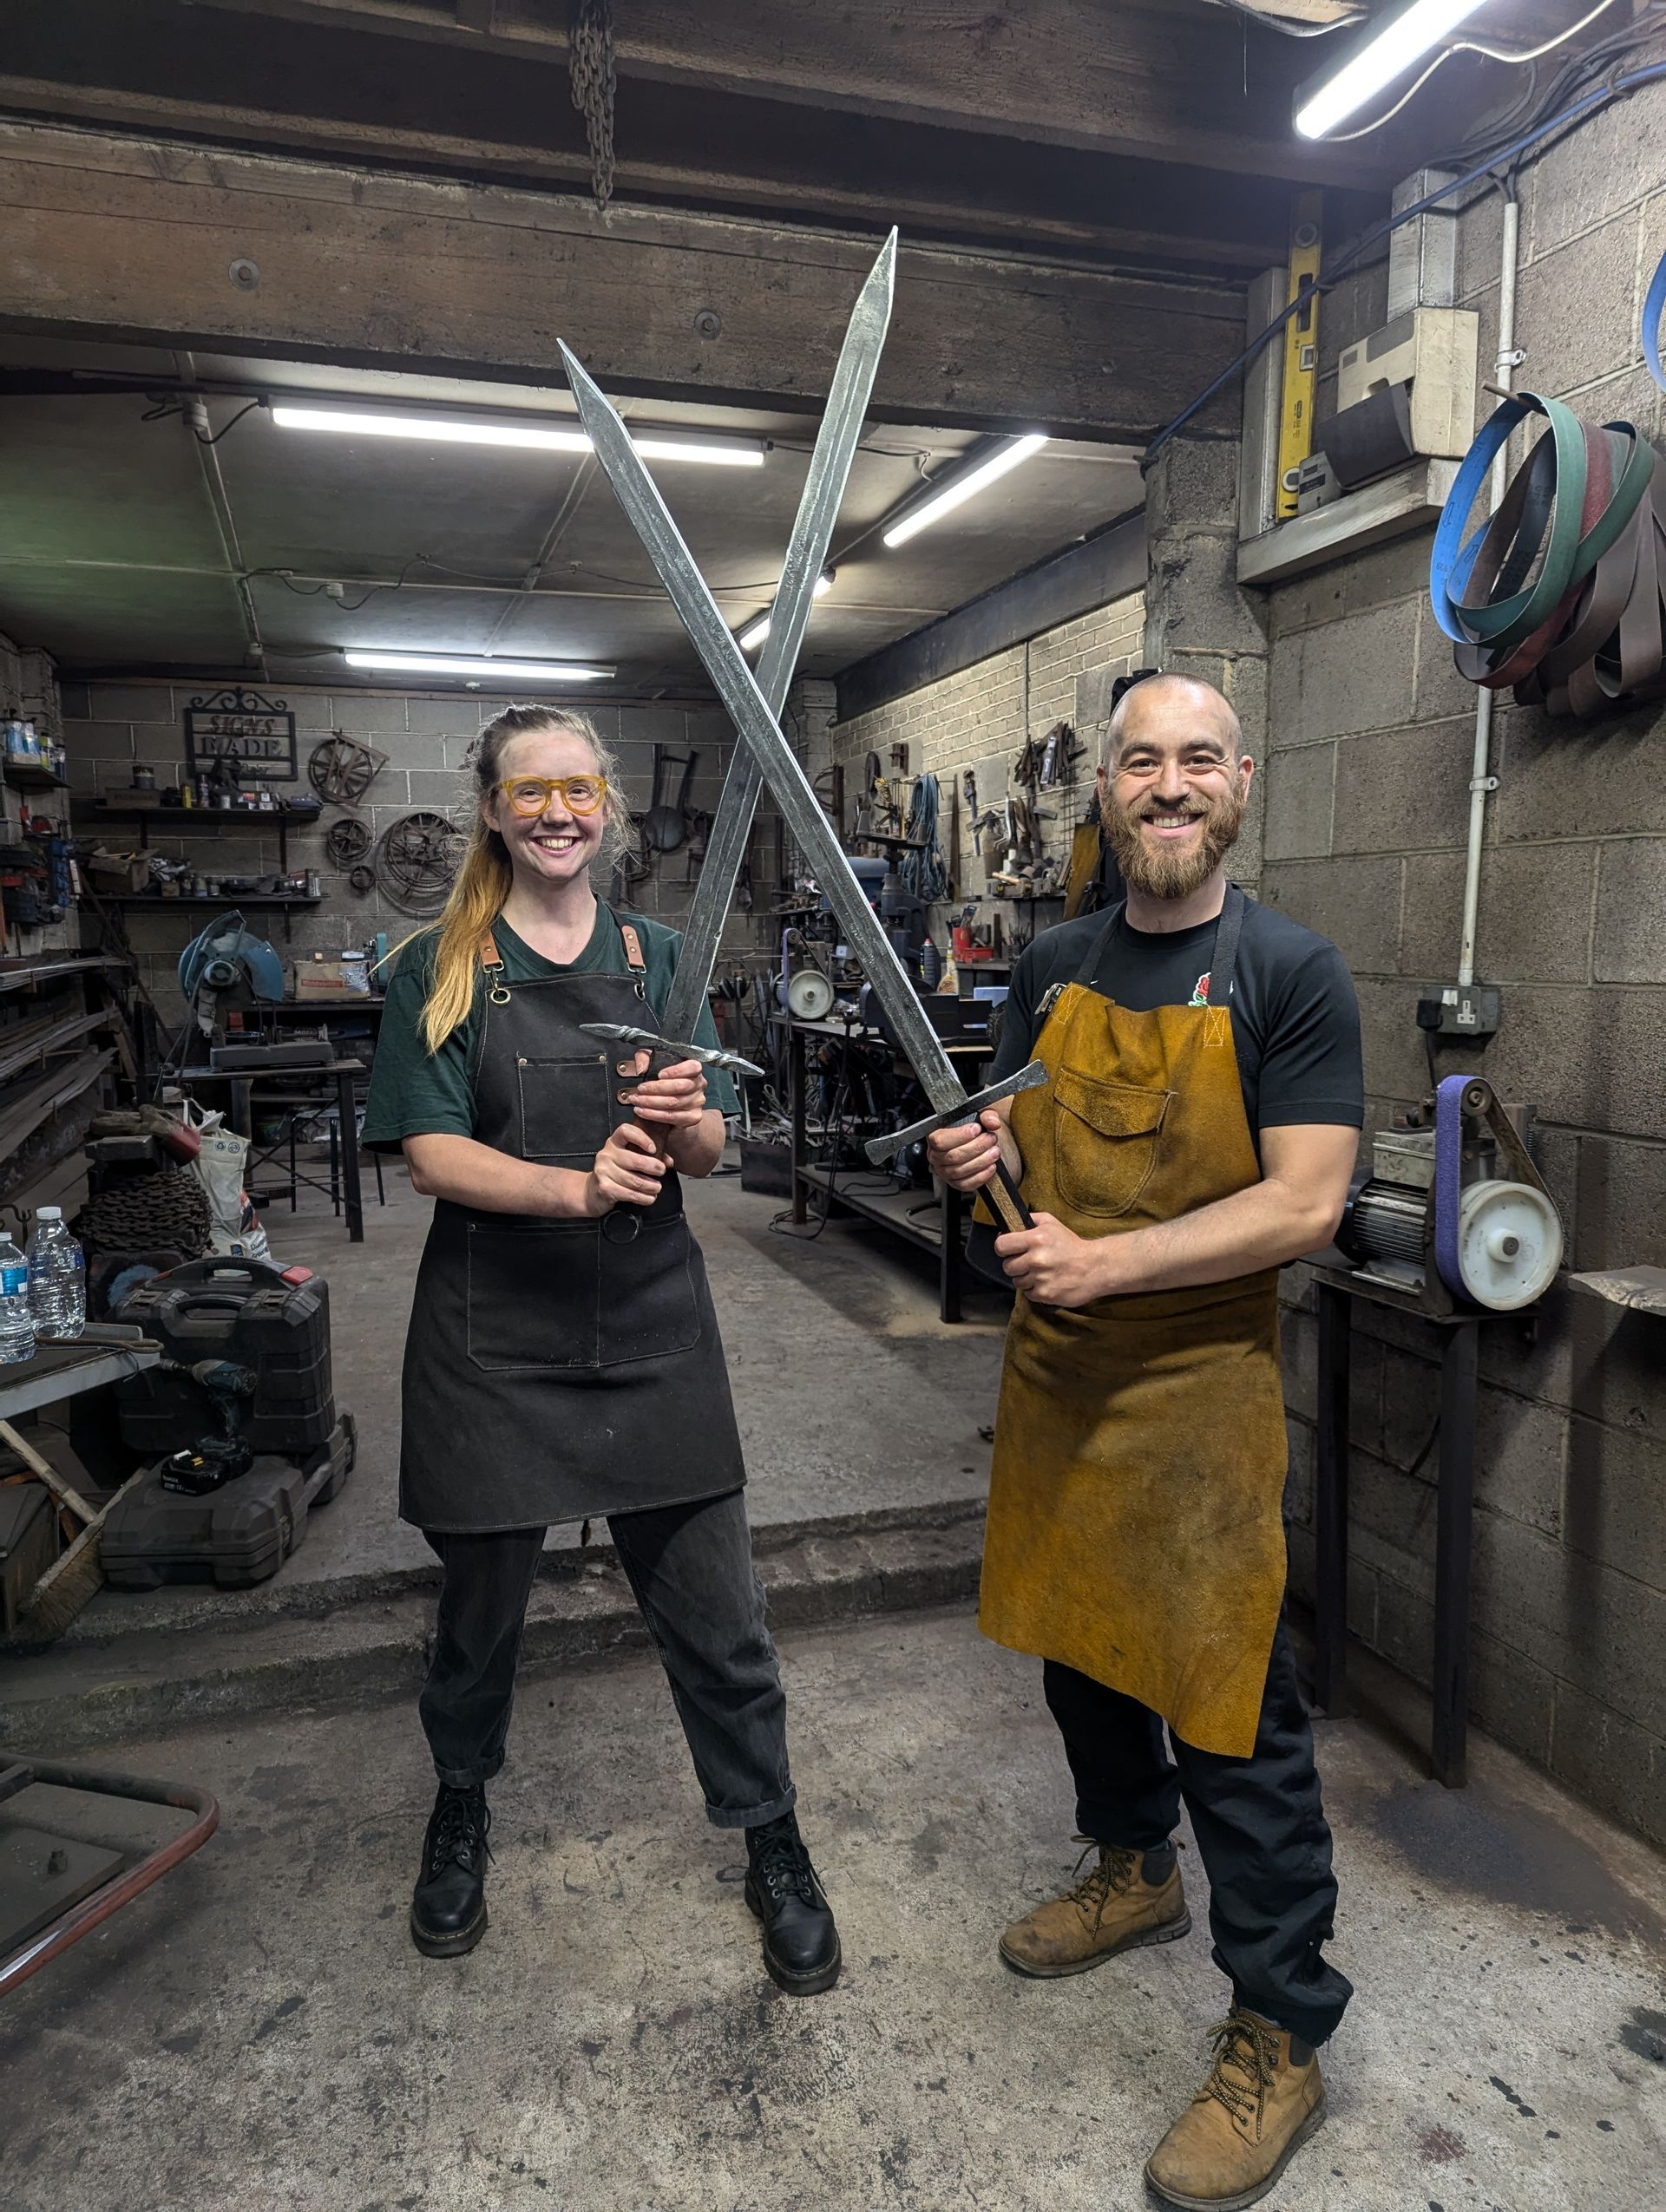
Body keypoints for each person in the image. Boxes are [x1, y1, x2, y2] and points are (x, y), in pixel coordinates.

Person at [928, 672, 1362, 2209]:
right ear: (1103, 788)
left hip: (1198, 1394)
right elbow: (1005, 1164)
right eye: (1139, 762)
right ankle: (1133, 1867)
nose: (1168, 784)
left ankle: (1282, 2026)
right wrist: (974, 1158)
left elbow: (1306, 1202)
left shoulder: (1290, 971)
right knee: (1082, 1655)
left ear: (1241, 781)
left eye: (1197, 760)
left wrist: (1110, 1265)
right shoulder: (1051, 966)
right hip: (1062, 1382)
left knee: (1229, 1715)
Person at [362, 704, 838, 1996]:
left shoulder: (659, 955)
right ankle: (461, 1803)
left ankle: (771, 1832)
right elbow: (431, 1153)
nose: (557, 812)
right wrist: (574, 1188)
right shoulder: (439, 965)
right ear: (493, 810)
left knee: (722, 1615)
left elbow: (711, 1150)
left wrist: (681, 1121)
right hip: (494, 1337)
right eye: (531, 791)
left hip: (649, 1323)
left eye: (578, 788)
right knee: (478, 1618)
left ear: (607, 803)